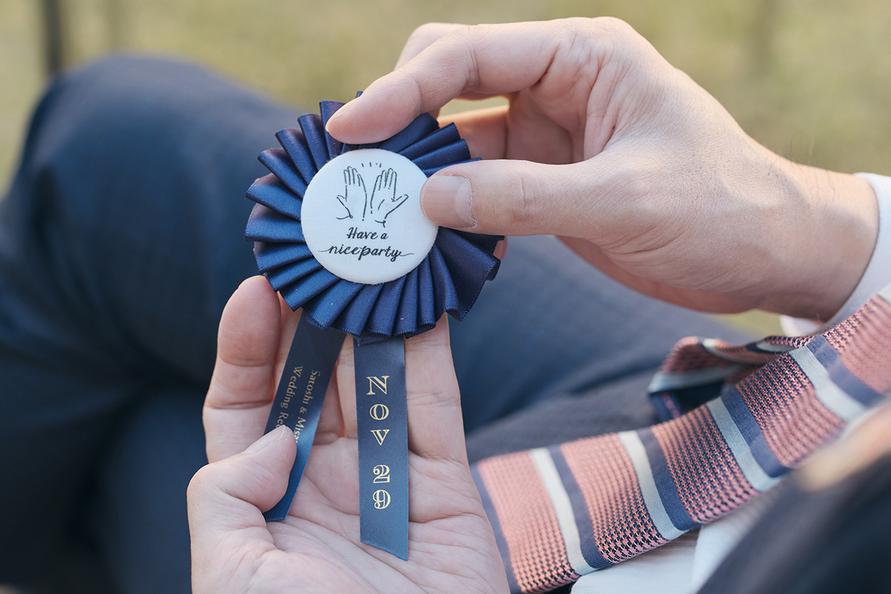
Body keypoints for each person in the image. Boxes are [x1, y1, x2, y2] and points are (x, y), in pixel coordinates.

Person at [0, 16, 887, 594]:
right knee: (105, 146)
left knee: (148, 456)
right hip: (775, 399)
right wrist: (824, 238)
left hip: (602, 561)